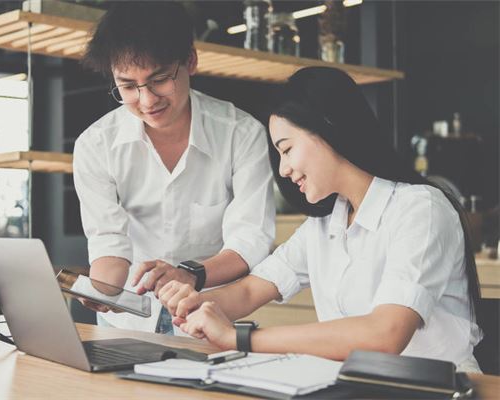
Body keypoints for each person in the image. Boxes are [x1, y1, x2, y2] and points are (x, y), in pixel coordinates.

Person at [157, 66, 483, 371]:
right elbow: (249, 292)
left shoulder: (420, 209)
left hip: (441, 390)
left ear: (328, 126)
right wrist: (195, 305)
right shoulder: (326, 223)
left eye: (287, 149)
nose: (283, 169)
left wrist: (239, 338)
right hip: (362, 388)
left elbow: (385, 334)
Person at [73, 2, 275, 334]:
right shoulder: (95, 145)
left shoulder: (241, 133)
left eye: (160, 79)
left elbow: (250, 239)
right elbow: (109, 239)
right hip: (127, 320)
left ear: (190, 61)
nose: (147, 100)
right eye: (128, 86)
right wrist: (101, 291)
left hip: (208, 312)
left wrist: (191, 273)